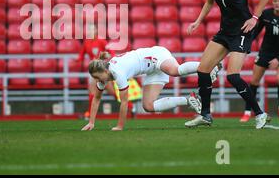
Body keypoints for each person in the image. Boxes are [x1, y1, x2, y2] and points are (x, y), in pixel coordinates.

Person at [184, 0, 271, 129]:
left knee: (233, 76)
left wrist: (254, 18)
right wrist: (198, 21)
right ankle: (205, 115)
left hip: (242, 32)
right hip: (224, 32)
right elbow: (209, 2)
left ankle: (260, 114)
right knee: (203, 70)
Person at [81, 46, 221, 131]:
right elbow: (96, 98)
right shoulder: (104, 75)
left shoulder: (117, 73)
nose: (98, 81)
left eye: (99, 77)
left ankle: (209, 66)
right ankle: (189, 100)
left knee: (174, 71)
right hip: (150, 70)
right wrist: (91, 122)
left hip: (155, 56)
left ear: (105, 72)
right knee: (148, 106)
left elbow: (124, 102)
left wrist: (120, 126)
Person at [240, 0, 279, 122]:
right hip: (266, 51)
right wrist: (246, 45)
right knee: (254, 81)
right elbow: (256, 31)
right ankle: (247, 112)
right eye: (275, 0)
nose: (277, 3)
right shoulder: (266, 14)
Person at [77, 24, 116, 119]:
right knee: (92, 92)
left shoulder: (102, 41)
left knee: (112, 92)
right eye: (88, 30)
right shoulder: (86, 42)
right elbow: (81, 56)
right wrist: (77, 61)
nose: (90, 31)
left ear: (96, 31)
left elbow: (112, 53)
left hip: (103, 70)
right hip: (93, 71)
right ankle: (89, 113)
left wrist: (105, 62)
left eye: (92, 29)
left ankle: (130, 107)